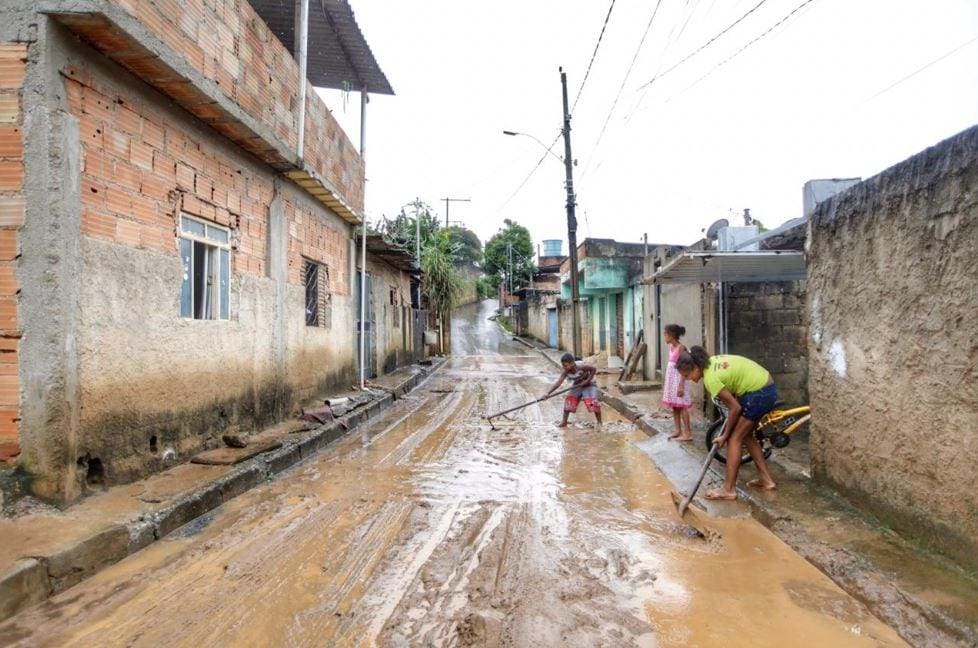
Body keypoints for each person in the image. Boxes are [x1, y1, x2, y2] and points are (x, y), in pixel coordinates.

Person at [675, 346, 778, 500]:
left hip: (759, 392)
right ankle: (767, 481)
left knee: (734, 439)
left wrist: (725, 435)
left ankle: (728, 489)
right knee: (747, 435)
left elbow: (734, 409)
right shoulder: (711, 363)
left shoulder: (711, 379)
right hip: (764, 386)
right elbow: (735, 383)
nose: (689, 379)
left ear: (696, 367)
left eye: (688, 375)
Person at [544, 353, 602, 428]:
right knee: (569, 400)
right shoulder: (566, 372)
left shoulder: (581, 367)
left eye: (565, 365)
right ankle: (564, 422)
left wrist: (587, 381)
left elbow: (593, 369)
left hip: (589, 384)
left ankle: (599, 422)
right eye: (563, 365)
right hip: (577, 384)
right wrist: (547, 393)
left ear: (572, 363)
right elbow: (558, 383)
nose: (564, 367)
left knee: (592, 402)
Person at [661, 324, 693, 441]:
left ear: (672, 335)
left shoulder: (681, 348)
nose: (664, 337)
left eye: (666, 334)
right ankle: (678, 430)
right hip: (671, 381)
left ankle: (688, 433)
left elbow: (685, 367)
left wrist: (681, 385)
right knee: (675, 406)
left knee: (683, 406)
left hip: (679, 380)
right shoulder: (671, 348)